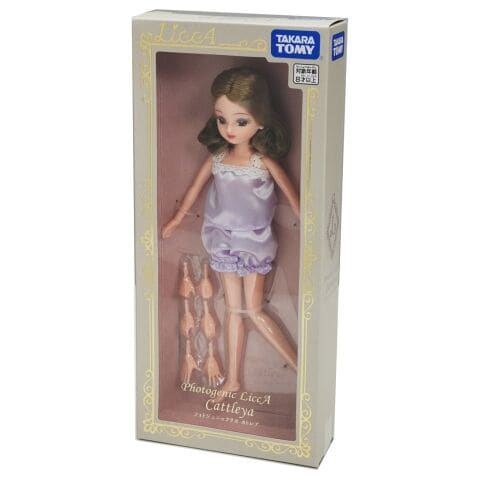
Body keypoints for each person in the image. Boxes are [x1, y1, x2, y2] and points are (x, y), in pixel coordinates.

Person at [161, 67, 299, 399]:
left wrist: (311, 226)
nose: (230, 129)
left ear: (261, 121)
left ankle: (299, 366)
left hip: (254, 242)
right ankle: (233, 379)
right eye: (222, 119)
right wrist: (176, 219)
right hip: (221, 240)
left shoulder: (263, 162)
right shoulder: (218, 159)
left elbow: (294, 200)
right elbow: (193, 191)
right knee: (233, 310)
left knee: (254, 309)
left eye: (241, 121)